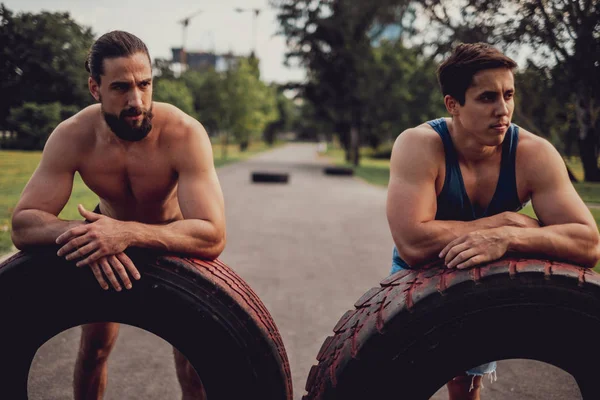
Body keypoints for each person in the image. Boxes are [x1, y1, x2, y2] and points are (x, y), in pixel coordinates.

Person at [11, 30, 225, 400]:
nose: (136, 100)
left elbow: (212, 234)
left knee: (193, 363)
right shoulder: (73, 136)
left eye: (144, 84)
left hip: (174, 236)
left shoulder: (184, 134)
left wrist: (127, 233)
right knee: (94, 351)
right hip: (106, 238)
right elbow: (24, 223)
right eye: (121, 88)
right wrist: (90, 233)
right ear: (95, 88)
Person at [386, 43, 600, 400]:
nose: (503, 110)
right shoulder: (420, 145)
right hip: (421, 271)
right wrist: (506, 221)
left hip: (487, 269)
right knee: (400, 378)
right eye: (487, 97)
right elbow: (414, 243)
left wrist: (507, 238)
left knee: (465, 384)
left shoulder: (534, 153)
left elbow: (587, 244)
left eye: (509, 94)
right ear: (452, 104)